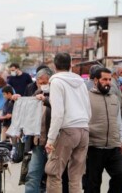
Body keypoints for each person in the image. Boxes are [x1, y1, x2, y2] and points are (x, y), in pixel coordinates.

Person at [45, 53, 91, 193]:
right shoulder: (81, 82)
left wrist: (50, 139)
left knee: (54, 173)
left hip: (67, 130)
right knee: (76, 176)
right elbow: (88, 109)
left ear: (54, 65)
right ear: (71, 65)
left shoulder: (57, 82)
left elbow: (58, 113)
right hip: (84, 129)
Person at [85, 67, 122, 193]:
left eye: (109, 79)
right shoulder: (87, 97)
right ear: (96, 80)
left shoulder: (114, 98)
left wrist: (120, 139)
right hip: (94, 147)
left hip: (113, 147)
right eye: (104, 79)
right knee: (93, 184)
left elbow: (118, 120)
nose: (108, 82)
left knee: (120, 175)